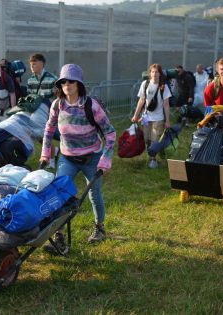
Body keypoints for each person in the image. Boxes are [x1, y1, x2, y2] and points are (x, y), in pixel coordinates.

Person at [40, 64, 116, 252]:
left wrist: (105, 160)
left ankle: (99, 228)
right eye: (63, 81)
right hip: (68, 158)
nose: (67, 84)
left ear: (79, 84)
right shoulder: (57, 105)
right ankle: (59, 237)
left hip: (92, 157)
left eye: (71, 81)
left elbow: (111, 133)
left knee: (94, 195)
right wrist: (45, 153)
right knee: (59, 194)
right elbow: (49, 130)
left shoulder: (91, 105)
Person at [131, 63, 172, 169]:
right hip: (146, 118)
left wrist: (167, 121)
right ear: (150, 73)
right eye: (152, 71)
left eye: (157, 72)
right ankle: (151, 157)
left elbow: (166, 105)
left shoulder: (164, 86)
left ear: (160, 73)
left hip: (158, 118)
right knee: (147, 139)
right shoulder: (145, 84)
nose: (154, 74)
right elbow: (141, 101)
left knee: (155, 139)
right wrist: (135, 115)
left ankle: (153, 160)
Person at [27, 53, 60, 168]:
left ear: (42, 64)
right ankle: (53, 152)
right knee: (40, 134)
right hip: (36, 112)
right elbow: (29, 97)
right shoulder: (30, 80)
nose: (32, 66)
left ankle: (50, 159)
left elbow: (59, 95)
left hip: (50, 112)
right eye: (31, 64)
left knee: (45, 133)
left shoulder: (52, 78)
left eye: (35, 63)